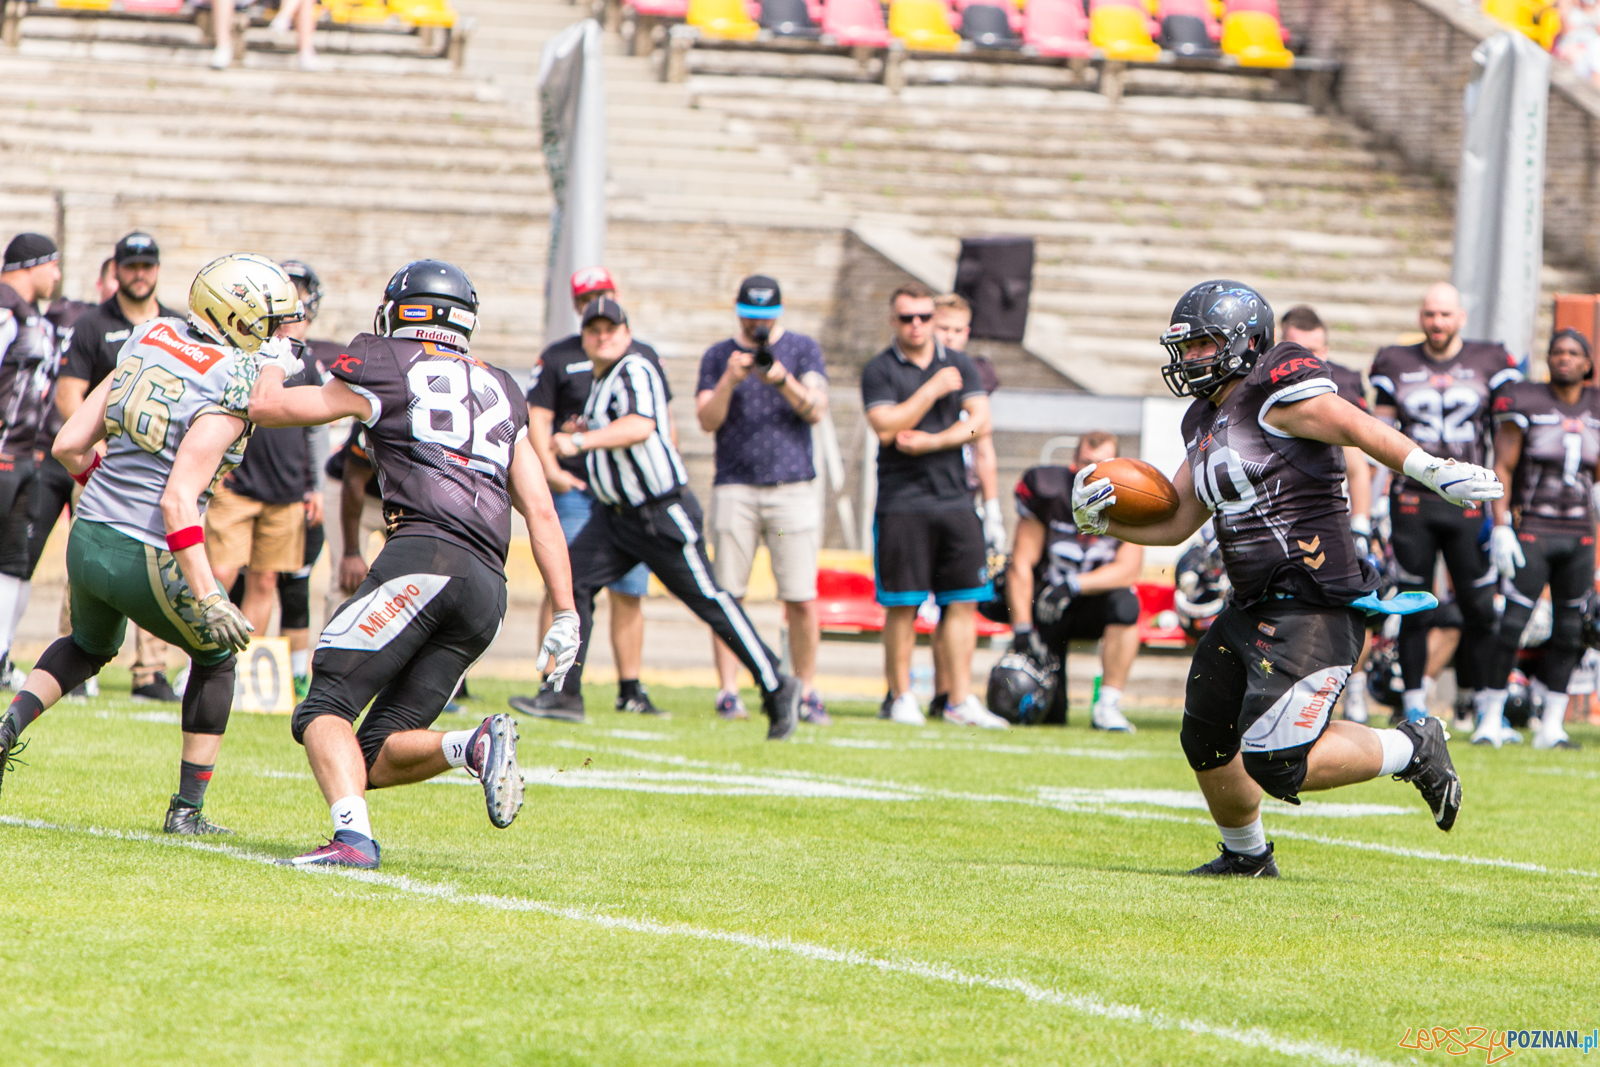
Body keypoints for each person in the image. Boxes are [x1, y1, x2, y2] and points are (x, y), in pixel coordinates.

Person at [1074, 279, 1490, 877]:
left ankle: (1411, 746)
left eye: (1202, 344)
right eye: (1185, 347)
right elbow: (1177, 521)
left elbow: (1354, 425)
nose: (1190, 358)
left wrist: (1428, 468)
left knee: (1277, 760)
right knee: (1206, 736)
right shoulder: (1203, 419)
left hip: (1313, 603)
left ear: (1245, 342)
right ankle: (1245, 855)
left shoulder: (1275, 386)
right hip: (1250, 603)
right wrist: (1103, 522)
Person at [248, 260, 582, 869]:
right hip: (488, 588)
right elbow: (541, 511)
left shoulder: (385, 359)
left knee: (324, 705)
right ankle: (471, 745)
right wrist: (566, 613)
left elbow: (267, 407)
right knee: (374, 752)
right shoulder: (502, 387)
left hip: (423, 556)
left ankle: (353, 842)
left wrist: (276, 354)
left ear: (406, 311)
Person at [0, 253, 299, 834]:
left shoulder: (150, 335)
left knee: (87, 644)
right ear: (237, 317)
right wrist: (209, 596)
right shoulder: (233, 381)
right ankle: (187, 810)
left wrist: (105, 490)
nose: (276, 336)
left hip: (89, 534)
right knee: (216, 659)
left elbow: (68, 445)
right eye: (269, 323)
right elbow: (176, 502)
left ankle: (7, 726)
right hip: (149, 548)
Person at [550, 297, 804, 739]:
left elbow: (641, 425)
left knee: (711, 602)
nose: (603, 336)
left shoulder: (634, 368)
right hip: (616, 517)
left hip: (659, 513)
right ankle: (563, 694)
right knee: (573, 585)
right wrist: (583, 432)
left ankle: (777, 684)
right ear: (583, 337)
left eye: (611, 328)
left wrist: (580, 442)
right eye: (594, 330)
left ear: (627, 333)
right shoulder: (602, 378)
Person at [510, 267, 666, 721]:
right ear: (576, 306)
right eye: (585, 298)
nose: (593, 303)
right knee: (564, 585)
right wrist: (553, 473)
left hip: (627, 491)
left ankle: (630, 688)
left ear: (616, 296)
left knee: (629, 590)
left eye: (601, 294)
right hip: (578, 488)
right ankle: (554, 683)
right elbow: (538, 419)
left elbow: (657, 421)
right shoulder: (559, 356)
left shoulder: (641, 355)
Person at [1370, 282, 1520, 725]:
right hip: (1412, 500)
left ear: (1461, 317)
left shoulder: (1490, 359)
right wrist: (1374, 500)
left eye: (1445, 314)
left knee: (1479, 606)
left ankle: (1479, 703)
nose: (1437, 322)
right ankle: (1414, 703)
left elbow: (1507, 439)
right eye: (1430, 314)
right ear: (1421, 316)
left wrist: (1503, 516)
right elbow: (1379, 436)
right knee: (1412, 604)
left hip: (1467, 501)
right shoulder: (1395, 361)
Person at [863, 281, 1008, 730]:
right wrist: (930, 391)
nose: (917, 325)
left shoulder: (959, 364)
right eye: (907, 317)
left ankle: (959, 700)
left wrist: (932, 442)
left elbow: (980, 424)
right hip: (902, 502)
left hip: (956, 500)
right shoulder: (879, 369)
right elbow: (886, 427)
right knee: (903, 606)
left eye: (924, 317)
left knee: (963, 603)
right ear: (893, 320)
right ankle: (900, 696)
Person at [58, 231, 186, 702]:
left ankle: (150, 671)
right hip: (103, 464)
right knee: (89, 560)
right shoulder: (93, 324)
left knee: (159, 560)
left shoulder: (176, 327)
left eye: (146, 265)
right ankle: (76, 659)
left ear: (157, 269)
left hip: (159, 471)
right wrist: (95, 447)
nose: (139, 274)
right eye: (130, 266)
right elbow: (69, 394)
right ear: (116, 270)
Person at [696, 275, 830, 724]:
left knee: (801, 596)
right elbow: (707, 420)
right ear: (738, 312)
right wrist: (730, 380)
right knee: (727, 595)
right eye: (751, 318)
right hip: (735, 486)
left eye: (766, 318)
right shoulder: (718, 356)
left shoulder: (802, 349)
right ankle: (729, 690)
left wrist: (782, 379)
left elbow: (816, 409)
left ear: (779, 313)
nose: (759, 326)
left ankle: (805, 689)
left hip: (792, 487)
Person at [1477, 328, 1598, 750]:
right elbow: (1503, 466)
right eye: (1557, 351)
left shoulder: (1597, 405)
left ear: (1587, 363)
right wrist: (1501, 526)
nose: (1564, 358)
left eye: (1573, 353)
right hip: (1533, 528)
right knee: (1512, 624)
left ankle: (1552, 726)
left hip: (1580, 533)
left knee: (1571, 630)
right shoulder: (1525, 398)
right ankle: (1489, 718)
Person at [217, 259, 331, 699]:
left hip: (286, 490)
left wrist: (316, 486)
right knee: (219, 576)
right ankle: (199, 663)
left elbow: (316, 430)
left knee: (265, 581)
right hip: (238, 483)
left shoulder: (307, 362)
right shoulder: (244, 352)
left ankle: (239, 673)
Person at [1279, 305, 1378, 723]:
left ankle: (1352, 687)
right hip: (1275, 519)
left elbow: (1357, 464)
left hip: (1325, 520)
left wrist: (1362, 526)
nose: (1309, 359)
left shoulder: (1336, 386)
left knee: (1350, 607)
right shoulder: (1261, 386)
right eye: (1299, 348)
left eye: (1316, 350)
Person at [1005, 432, 1142, 731]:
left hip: (1095, 603)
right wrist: (1022, 630)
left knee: (1126, 604)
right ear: (1073, 463)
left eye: (1101, 465)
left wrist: (1073, 585)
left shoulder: (1130, 499)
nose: (1092, 473)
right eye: (1085, 463)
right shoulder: (1050, 493)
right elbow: (1021, 563)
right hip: (1050, 606)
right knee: (1049, 716)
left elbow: (1127, 571)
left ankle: (1108, 704)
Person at [929, 292, 1005, 719]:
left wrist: (992, 508)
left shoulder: (975, 374)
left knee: (960, 600)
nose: (950, 337)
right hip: (921, 495)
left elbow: (983, 444)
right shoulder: (918, 371)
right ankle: (928, 692)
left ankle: (952, 693)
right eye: (944, 328)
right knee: (918, 604)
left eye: (957, 330)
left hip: (963, 498)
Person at [0, 235, 63, 681]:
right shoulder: (4, 312)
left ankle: (1, 658)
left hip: (25, 456)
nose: (57, 275)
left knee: (15, 563)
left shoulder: (31, 315)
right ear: (31, 265)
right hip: (2, 453)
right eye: (52, 265)